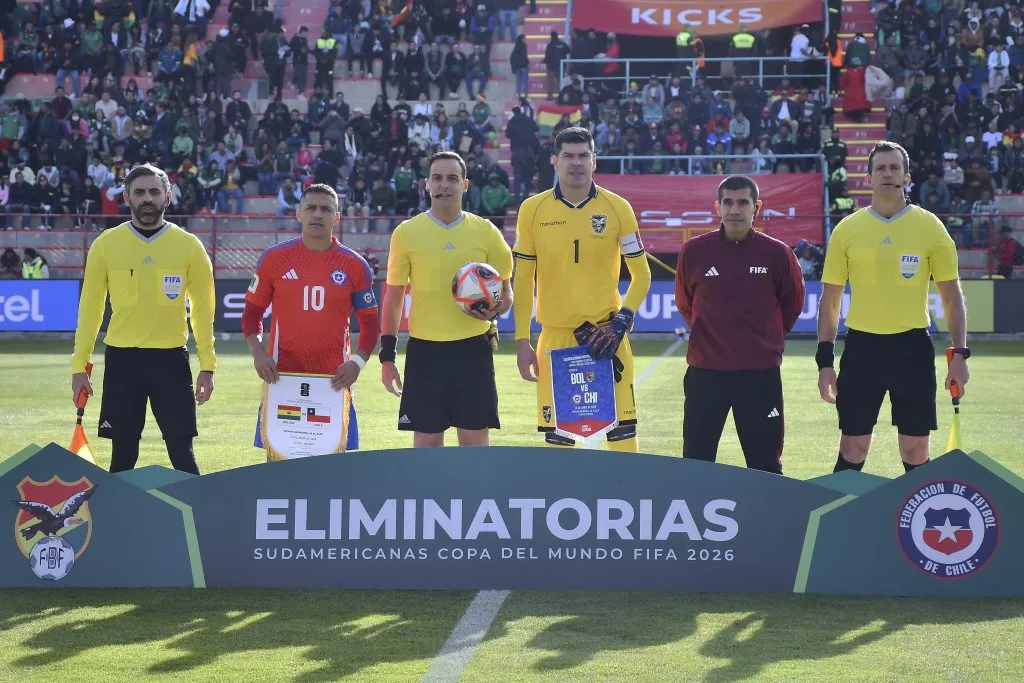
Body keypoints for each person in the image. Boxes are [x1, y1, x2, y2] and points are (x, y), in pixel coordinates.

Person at [817, 141, 970, 474]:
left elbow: (951, 295)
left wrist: (960, 354)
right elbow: (830, 300)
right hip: (861, 349)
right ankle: (840, 522)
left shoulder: (930, 228)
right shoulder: (847, 230)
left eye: (894, 167)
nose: (888, 173)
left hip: (911, 348)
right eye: (880, 168)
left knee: (916, 451)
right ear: (869, 178)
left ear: (907, 176)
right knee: (853, 448)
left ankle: (917, 525)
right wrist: (825, 362)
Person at [513, 127, 652, 452]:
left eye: (582, 155)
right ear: (555, 161)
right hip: (556, 340)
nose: (576, 163)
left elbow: (641, 274)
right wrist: (522, 340)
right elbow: (522, 279)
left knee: (622, 440)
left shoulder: (618, 208)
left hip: (606, 338)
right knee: (560, 446)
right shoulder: (532, 209)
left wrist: (622, 321)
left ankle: (625, 501)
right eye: (568, 156)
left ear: (594, 160)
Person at [71, 164, 217, 475]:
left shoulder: (189, 246)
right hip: (123, 361)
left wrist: (207, 366)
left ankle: (199, 520)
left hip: (171, 362)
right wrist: (78, 366)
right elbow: (90, 309)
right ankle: (115, 523)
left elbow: (204, 311)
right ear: (127, 197)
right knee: (122, 454)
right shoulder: (106, 245)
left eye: (154, 191)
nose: (147, 198)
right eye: (139, 192)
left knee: (182, 451)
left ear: (168, 196)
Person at [379, 151, 514, 447]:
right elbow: (393, 298)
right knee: (427, 446)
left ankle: (476, 495)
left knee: (475, 443)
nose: (444, 185)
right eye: (437, 178)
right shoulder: (406, 233)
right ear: (426, 184)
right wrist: (387, 356)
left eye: (452, 178)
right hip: (425, 352)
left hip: (473, 351)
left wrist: (494, 311)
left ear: (465, 184)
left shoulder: (486, 231)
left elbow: (506, 293)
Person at [674, 175, 805, 474]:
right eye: (728, 202)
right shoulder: (694, 251)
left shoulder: (776, 253)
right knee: (696, 463)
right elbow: (686, 303)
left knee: (765, 466)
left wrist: (764, 340)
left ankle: (767, 521)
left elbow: (792, 304)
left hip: (760, 376)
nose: (735, 209)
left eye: (743, 202)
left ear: (756, 207)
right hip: (706, 374)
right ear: (717, 207)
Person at [243, 184, 380, 458]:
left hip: (334, 382)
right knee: (280, 464)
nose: (318, 214)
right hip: (283, 379)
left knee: (332, 472)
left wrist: (358, 363)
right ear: (298, 214)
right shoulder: (274, 259)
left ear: (337, 217)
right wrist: (259, 354)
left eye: (326, 209)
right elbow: (251, 313)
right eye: (311, 208)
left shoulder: (354, 265)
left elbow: (371, 323)